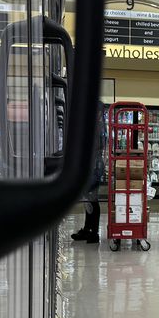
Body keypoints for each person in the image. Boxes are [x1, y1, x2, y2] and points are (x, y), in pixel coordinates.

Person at [72, 103, 107, 243]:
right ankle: (88, 229)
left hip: (93, 167)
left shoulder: (97, 127)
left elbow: (93, 149)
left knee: (92, 198)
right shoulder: (96, 126)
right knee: (88, 198)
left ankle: (93, 232)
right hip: (92, 165)